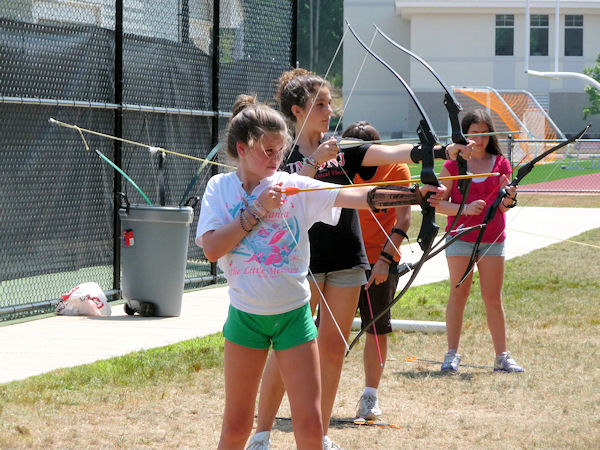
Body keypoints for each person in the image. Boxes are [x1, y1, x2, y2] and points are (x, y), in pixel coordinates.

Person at [196, 95, 445, 450]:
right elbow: (211, 249)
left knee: (311, 428)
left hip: (294, 319)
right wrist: (256, 211)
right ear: (241, 148)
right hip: (246, 318)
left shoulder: (293, 184)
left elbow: (359, 197)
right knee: (236, 428)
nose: (276, 159)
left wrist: (416, 195)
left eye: (280, 150)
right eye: (268, 151)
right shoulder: (219, 189)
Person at [249, 69, 472, 450]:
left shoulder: (343, 148)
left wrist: (439, 152)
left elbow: (392, 152)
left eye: (329, 104)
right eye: (320, 105)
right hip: (301, 261)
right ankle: (262, 434)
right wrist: (314, 160)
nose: (328, 111)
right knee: (287, 348)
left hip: (347, 257)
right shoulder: (279, 154)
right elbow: (279, 195)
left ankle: (319, 434)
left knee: (333, 348)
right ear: (297, 110)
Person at [435, 109, 524, 374]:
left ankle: (502, 357)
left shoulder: (501, 164)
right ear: (464, 136)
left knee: (493, 297)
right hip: (460, 238)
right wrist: (465, 209)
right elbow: (438, 203)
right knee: (458, 294)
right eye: (474, 134)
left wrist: (509, 198)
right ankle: (452, 354)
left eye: (485, 133)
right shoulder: (452, 166)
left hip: (493, 238)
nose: (480, 139)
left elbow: (504, 206)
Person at [343, 121, 412, 420]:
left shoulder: (396, 169)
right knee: (329, 329)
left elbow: (404, 219)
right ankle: (314, 393)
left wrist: (384, 260)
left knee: (376, 328)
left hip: (380, 260)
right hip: (344, 257)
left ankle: (370, 396)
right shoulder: (339, 168)